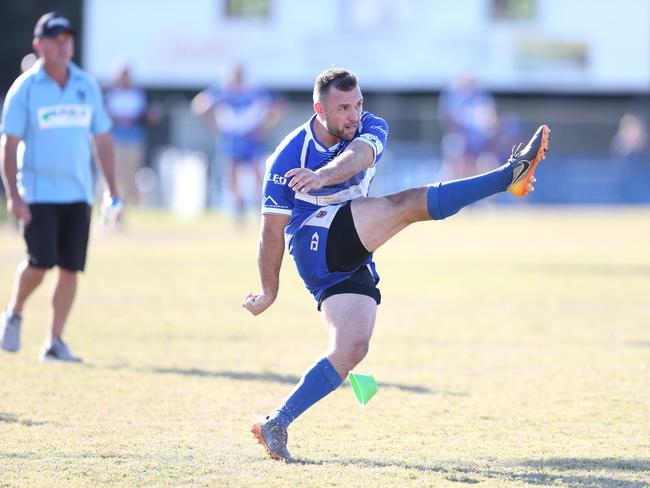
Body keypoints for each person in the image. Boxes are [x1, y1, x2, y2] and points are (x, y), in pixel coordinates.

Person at [243, 68, 550, 462]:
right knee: (404, 206)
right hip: (313, 242)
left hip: (350, 242)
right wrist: (269, 291)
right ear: (319, 109)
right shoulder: (287, 157)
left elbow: (358, 158)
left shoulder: (370, 127)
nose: (354, 115)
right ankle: (509, 177)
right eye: (343, 108)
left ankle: (276, 423)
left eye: (358, 105)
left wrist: (322, 176)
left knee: (352, 347)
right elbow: (271, 232)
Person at [0, 12, 121, 362]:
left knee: (70, 267)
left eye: (67, 38)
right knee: (40, 263)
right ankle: (15, 310)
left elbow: (102, 138)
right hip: (38, 192)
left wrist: (112, 188)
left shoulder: (85, 84)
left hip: (78, 192)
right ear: (39, 45)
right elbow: (8, 145)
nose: (63, 44)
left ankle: (54, 341)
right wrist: (14, 195)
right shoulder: (25, 89)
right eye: (55, 39)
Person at [192, 64, 281, 222]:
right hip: (231, 138)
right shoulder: (222, 90)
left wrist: (266, 128)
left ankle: (263, 207)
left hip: (251, 138)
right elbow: (199, 106)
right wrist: (214, 124)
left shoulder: (254, 90)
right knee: (232, 175)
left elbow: (278, 106)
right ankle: (238, 210)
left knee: (258, 174)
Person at [104, 64, 150, 206]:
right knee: (116, 174)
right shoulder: (111, 94)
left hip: (134, 139)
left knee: (131, 174)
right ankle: (116, 203)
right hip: (116, 138)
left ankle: (131, 204)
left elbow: (144, 114)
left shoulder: (138, 94)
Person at [438, 73, 499, 179]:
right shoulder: (453, 97)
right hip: (460, 139)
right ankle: (454, 186)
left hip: (481, 142)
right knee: (455, 147)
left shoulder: (482, 97)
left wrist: (488, 131)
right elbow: (446, 120)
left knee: (488, 161)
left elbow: (491, 120)